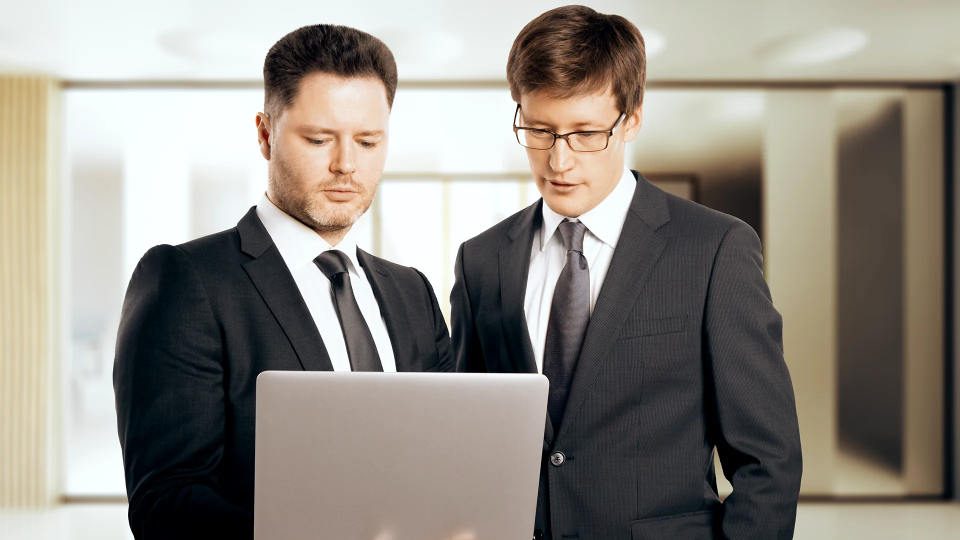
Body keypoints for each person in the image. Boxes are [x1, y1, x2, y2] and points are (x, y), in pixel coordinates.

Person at [450, 6, 802, 540]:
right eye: (540, 130)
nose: (559, 161)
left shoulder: (714, 249)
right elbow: (466, 437)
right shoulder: (482, 260)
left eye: (586, 133)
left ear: (632, 118)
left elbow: (768, 462)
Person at [114, 24, 453, 540]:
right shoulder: (186, 282)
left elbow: (447, 459)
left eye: (368, 141)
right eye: (319, 139)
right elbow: (166, 502)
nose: (346, 165)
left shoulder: (413, 293)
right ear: (265, 134)